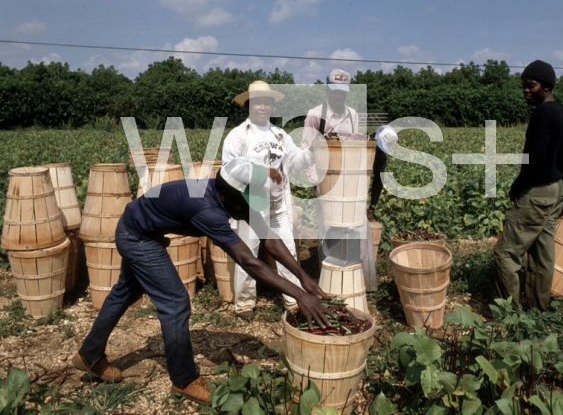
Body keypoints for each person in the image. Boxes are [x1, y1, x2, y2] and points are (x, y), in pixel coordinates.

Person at [72, 158, 331, 405]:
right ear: (226, 197)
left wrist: (304, 277)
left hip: (139, 226)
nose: (250, 209)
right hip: (137, 237)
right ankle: (184, 381)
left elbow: (269, 238)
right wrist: (299, 295)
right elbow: (249, 262)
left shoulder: (228, 193)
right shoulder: (208, 210)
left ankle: (89, 355)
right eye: (245, 204)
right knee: (175, 302)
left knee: (124, 293)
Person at [223, 81, 314, 318]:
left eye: (267, 102)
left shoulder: (280, 134)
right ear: (248, 105)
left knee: (288, 251)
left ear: (271, 106)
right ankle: (244, 304)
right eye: (257, 102)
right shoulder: (239, 135)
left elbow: (296, 162)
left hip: (279, 204)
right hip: (252, 203)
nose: (262, 106)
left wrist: (312, 151)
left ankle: (293, 300)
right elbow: (230, 169)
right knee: (249, 252)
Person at [493, 60, 563, 312]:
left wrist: (517, 187)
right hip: (556, 189)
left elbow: (535, 161)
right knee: (541, 252)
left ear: (546, 86)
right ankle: (540, 308)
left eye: (532, 85)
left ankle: (509, 312)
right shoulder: (560, 112)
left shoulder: (542, 113)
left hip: (538, 190)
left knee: (506, 252)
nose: (526, 90)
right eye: (524, 86)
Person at [300, 69, 377, 291]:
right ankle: (330, 281)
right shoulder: (315, 115)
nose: (338, 96)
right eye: (334, 91)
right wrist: (318, 183)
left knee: (356, 226)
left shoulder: (352, 114)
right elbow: (306, 151)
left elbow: (356, 147)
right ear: (327, 89)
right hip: (326, 182)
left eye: (342, 92)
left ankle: (359, 279)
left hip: (350, 182)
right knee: (328, 227)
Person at [366, 125, 398, 222]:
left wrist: (372, 208)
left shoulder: (382, 156)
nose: (378, 152)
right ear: (374, 136)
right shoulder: (360, 143)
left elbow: (379, 179)